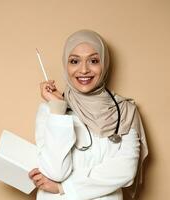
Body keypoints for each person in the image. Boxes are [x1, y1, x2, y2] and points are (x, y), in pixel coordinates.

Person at [29, 29, 148, 200]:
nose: (83, 70)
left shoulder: (125, 111)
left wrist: (64, 187)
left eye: (93, 60)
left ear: (104, 64)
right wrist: (59, 111)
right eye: (74, 61)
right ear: (66, 64)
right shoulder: (50, 110)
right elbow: (56, 172)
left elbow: (126, 171)